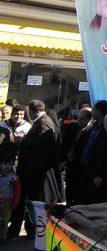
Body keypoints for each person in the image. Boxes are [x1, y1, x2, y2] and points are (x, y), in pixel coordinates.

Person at [8, 100, 58, 239]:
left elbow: (42, 145)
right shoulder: (41, 121)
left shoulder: (43, 122)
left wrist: (22, 140)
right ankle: (18, 230)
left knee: (31, 202)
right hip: (29, 170)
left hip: (33, 171)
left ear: (31, 111)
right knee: (25, 201)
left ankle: (32, 232)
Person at [65, 108, 92, 205]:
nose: (78, 121)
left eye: (81, 119)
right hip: (70, 164)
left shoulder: (90, 132)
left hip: (80, 167)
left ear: (88, 120)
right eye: (78, 118)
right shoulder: (74, 129)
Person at [0, 159, 20, 243]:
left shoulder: (13, 177)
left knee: (4, 220)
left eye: (9, 164)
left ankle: (3, 237)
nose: (6, 166)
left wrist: (15, 202)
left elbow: (17, 191)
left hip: (7, 202)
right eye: (4, 163)